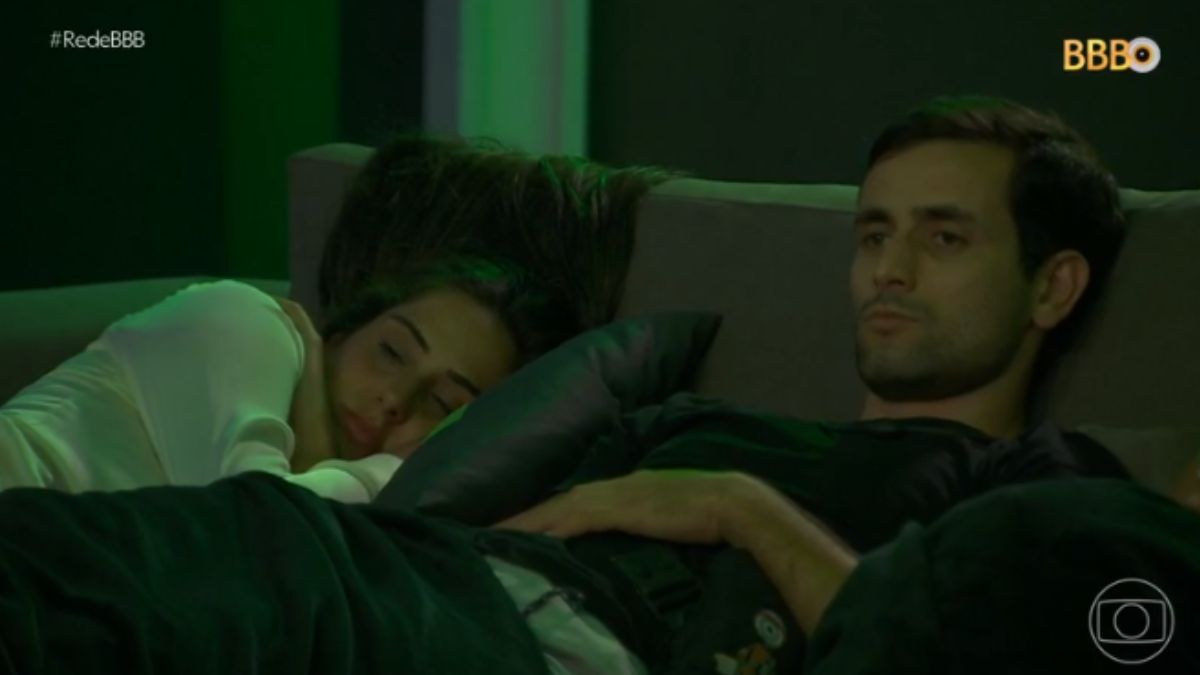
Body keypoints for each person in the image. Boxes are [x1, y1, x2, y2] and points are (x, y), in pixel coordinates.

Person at [0, 96, 1193, 674]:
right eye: (874, 232)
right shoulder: (697, 417)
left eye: (944, 238)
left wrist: (740, 511)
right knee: (124, 565)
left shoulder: (1035, 490)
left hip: (584, 648)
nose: (888, 268)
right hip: (442, 582)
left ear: (1053, 287)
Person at [0, 254, 563, 503]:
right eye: (390, 352)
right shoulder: (242, 320)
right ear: (344, 332)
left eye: (440, 402)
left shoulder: (378, 502)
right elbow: (260, 531)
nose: (394, 399)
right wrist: (388, 469)